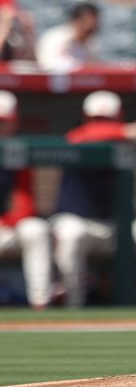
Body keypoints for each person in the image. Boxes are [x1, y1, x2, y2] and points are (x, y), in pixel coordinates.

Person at [50, 91, 136, 307]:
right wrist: (128, 130)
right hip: (81, 221)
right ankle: (72, 307)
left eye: (107, 120)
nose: (100, 125)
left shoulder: (131, 137)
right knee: (70, 234)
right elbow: (81, 136)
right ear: (85, 118)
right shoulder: (83, 136)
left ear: (119, 116)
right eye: (96, 120)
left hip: (121, 224)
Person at [0, 91, 53, 309]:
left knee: (36, 229)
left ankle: (40, 303)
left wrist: (7, 221)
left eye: (3, 122)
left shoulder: (18, 152)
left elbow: (25, 202)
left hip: (7, 225)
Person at [36, 2, 101, 71]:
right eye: (88, 28)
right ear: (75, 21)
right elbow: (47, 65)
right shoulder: (55, 39)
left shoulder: (92, 45)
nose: (91, 29)